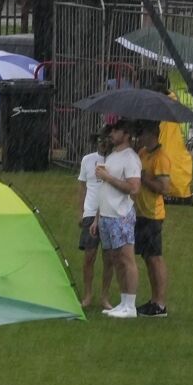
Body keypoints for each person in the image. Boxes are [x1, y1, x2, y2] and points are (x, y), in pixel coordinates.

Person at [94, 119, 144, 319]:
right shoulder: (113, 155)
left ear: (126, 134)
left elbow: (134, 188)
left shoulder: (130, 158)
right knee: (115, 259)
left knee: (126, 259)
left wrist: (108, 178)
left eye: (116, 131)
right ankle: (123, 302)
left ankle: (130, 305)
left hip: (120, 215)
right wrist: (98, 217)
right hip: (107, 215)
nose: (111, 134)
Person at [133, 120, 171, 318]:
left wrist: (144, 178)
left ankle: (160, 303)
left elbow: (164, 188)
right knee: (147, 258)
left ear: (153, 134)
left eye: (144, 134)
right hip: (140, 213)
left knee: (155, 258)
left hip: (153, 215)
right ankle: (153, 300)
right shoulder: (143, 153)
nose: (141, 137)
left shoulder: (161, 158)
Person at [76, 129, 113, 310]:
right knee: (89, 257)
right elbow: (82, 187)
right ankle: (88, 294)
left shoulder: (114, 161)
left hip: (108, 212)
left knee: (109, 258)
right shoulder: (87, 160)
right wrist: (80, 212)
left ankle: (104, 296)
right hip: (90, 212)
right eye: (100, 140)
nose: (103, 143)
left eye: (106, 140)